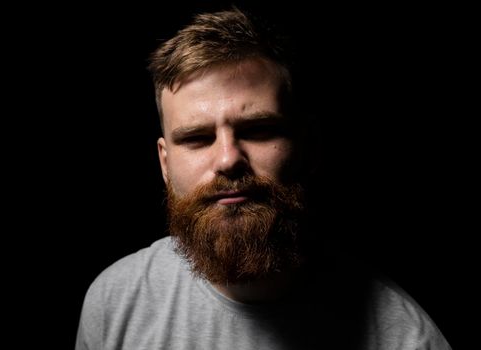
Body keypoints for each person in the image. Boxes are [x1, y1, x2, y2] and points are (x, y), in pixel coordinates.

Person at [75, 7, 451, 350]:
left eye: (258, 130)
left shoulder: (406, 339)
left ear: (307, 146)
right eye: (196, 138)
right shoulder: (113, 303)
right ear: (164, 162)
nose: (228, 159)